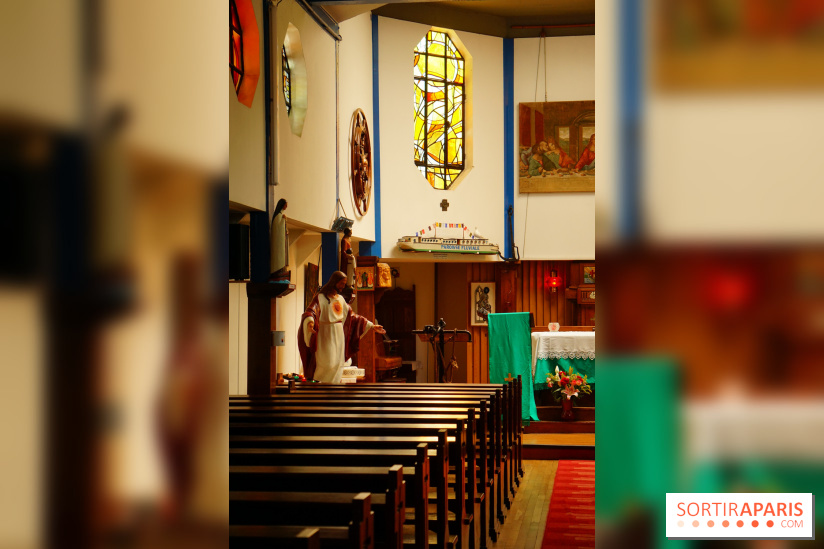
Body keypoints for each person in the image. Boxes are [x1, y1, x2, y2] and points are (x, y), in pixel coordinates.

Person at [298, 271, 385, 383]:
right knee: (327, 363)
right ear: (334, 282)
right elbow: (311, 312)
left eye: (344, 283)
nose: (343, 286)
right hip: (325, 334)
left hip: (339, 335)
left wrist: (372, 326)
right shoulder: (320, 298)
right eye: (341, 283)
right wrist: (310, 323)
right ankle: (320, 388)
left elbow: (353, 317)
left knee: (337, 364)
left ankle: (334, 389)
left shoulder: (340, 299)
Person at [269, 198, 289, 281]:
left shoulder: (280, 215)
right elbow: (278, 227)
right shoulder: (278, 216)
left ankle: (281, 272)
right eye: (285, 205)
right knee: (278, 260)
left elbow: (283, 228)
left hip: (281, 242)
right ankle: (277, 274)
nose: (286, 206)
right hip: (278, 243)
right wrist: (284, 219)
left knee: (282, 258)